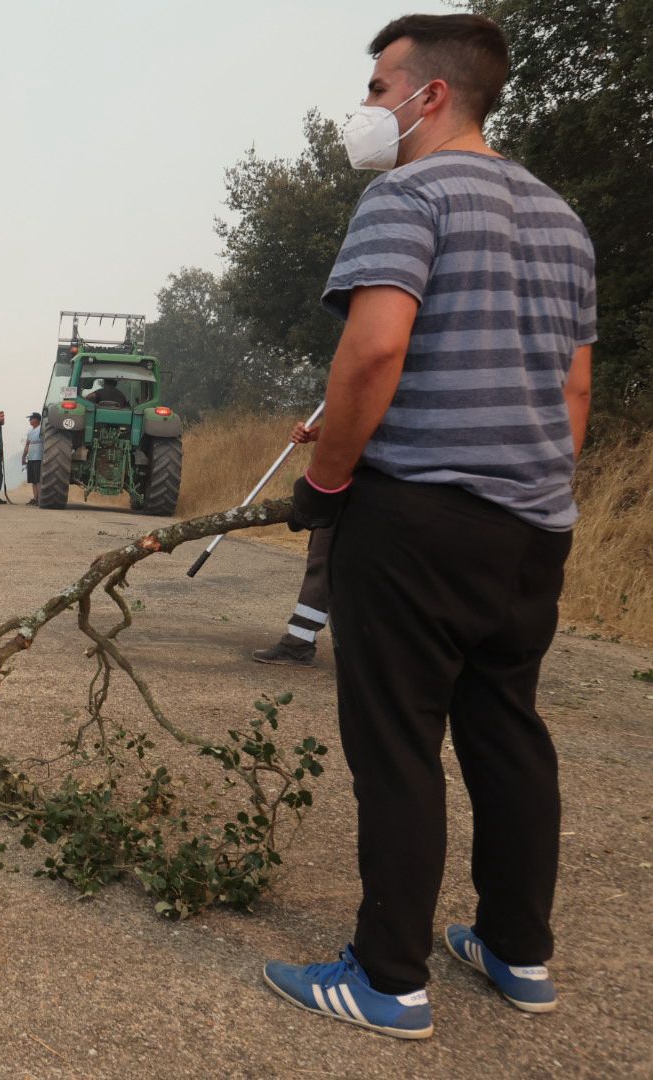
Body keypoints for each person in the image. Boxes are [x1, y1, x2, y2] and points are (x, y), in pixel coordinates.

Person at [263, 15, 595, 1040]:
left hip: (416, 517)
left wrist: (326, 482)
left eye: (378, 87)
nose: (368, 107)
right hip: (533, 524)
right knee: (507, 733)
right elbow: (576, 388)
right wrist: (533, 488)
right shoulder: (562, 218)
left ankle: (388, 978)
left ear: (431, 94)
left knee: (398, 741)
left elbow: (373, 352)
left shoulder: (407, 195)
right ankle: (517, 952)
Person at [252, 420, 331, 666]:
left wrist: (316, 488)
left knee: (325, 556)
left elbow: (352, 428)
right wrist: (314, 433)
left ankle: (299, 644)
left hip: (361, 484)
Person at [22, 412, 44, 505]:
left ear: (37, 420)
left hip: (38, 458)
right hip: (31, 458)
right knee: (33, 480)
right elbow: (27, 444)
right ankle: (35, 498)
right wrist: (23, 457)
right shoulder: (30, 431)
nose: (30, 420)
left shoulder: (41, 430)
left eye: (31, 418)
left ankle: (40, 499)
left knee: (38, 480)